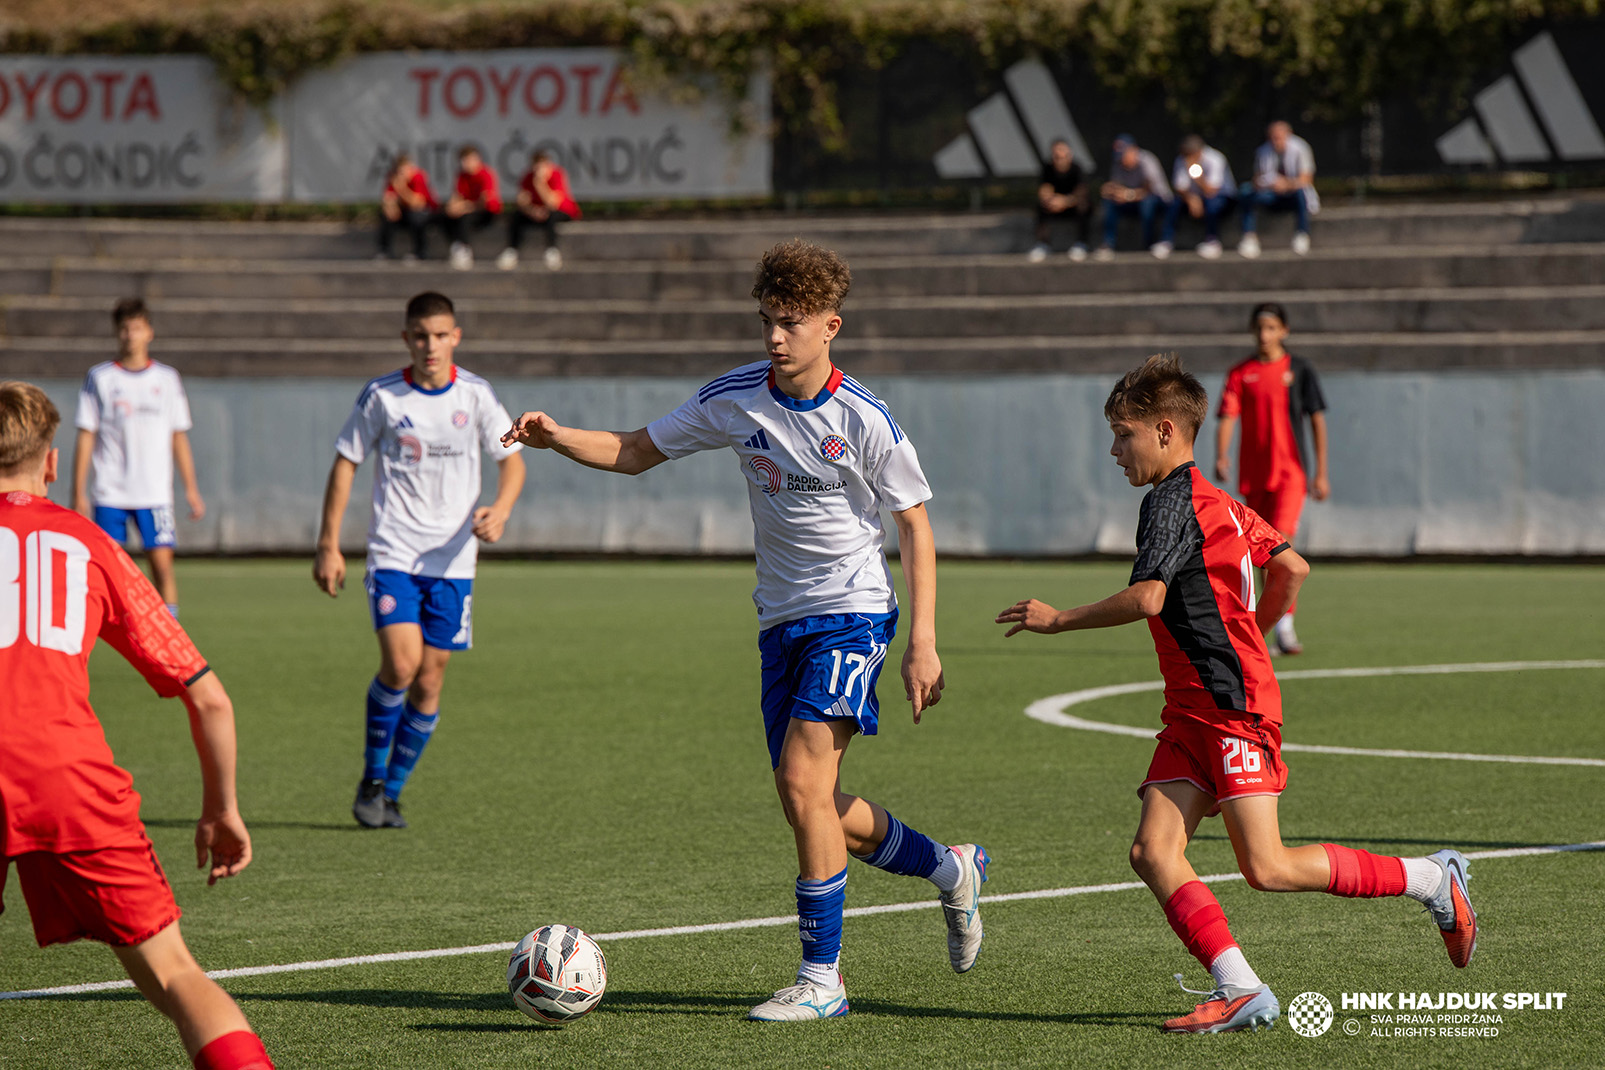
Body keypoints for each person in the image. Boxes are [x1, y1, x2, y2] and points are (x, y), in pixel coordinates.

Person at [501, 239, 988, 1023]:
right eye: (766, 320)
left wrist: (924, 641)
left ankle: (821, 981)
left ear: (830, 326)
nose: (774, 337)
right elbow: (633, 451)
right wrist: (557, 438)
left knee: (802, 786)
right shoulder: (734, 398)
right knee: (815, 799)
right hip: (780, 621)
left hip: (853, 612)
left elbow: (915, 525)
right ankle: (949, 868)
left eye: (791, 323)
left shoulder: (862, 415)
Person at [994, 354, 1476, 1035]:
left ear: (1164, 430)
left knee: (1268, 868)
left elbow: (1149, 597)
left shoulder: (1166, 503)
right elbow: (1292, 565)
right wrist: (1257, 624)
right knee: (1152, 852)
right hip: (1194, 705)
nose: (1112, 449)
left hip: (1228, 705)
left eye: (1121, 434)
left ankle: (1431, 879)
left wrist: (1059, 619)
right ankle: (1240, 988)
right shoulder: (1216, 500)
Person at [0, 381, 274, 1070]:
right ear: (54, 463)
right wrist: (221, 809)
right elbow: (210, 698)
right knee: (176, 976)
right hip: (69, 780)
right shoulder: (89, 544)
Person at [313, 291, 526, 829]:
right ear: (406, 338)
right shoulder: (383, 397)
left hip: (454, 562)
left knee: (430, 682)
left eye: (440, 335)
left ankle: (392, 794)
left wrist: (500, 510)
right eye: (420, 336)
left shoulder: (476, 395)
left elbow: (512, 462)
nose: (430, 345)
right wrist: (328, 544)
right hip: (395, 552)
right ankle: (372, 777)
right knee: (402, 666)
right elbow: (346, 464)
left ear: (456, 337)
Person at [72, 298, 204, 620]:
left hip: (155, 491)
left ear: (150, 333)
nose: (131, 335)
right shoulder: (100, 378)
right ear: (117, 333)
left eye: (137, 328)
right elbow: (87, 434)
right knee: (108, 570)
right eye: (125, 329)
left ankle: (171, 635)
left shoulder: (167, 379)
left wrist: (191, 488)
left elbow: (179, 435)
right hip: (110, 490)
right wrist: (79, 493)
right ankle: (109, 632)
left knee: (162, 568)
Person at [1214, 303, 1328, 655]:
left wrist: (1321, 471)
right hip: (1254, 477)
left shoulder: (1299, 369)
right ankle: (1268, 630)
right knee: (1263, 556)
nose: (1265, 335)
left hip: (1290, 473)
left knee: (1281, 547)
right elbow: (1228, 416)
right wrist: (1222, 454)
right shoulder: (1240, 372)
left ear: (1284, 331)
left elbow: (1316, 419)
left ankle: (1285, 629)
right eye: (1259, 329)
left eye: (1271, 328)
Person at [1238, 122, 1319, 258]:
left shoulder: (1301, 148)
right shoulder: (1263, 151)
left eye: (1279, 137)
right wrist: (1269, 184)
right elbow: (1257, 178)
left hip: (1293, 193)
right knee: (1245, 192)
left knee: (1300, 193)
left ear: (1289, 135)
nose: (1276, 141)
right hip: (1271, 193)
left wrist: (1287, 184)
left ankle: (1302, 234)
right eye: (1273, 138)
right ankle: (1249, 237)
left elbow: (1307, 179)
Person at [497, 150, 582, 271]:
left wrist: (539, 184)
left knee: (550, 215)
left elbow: (553, 203)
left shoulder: (557, 174)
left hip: (561, 211)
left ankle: (552, 251)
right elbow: (521, 202)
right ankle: (511, 251)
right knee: (516, 216)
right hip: (536, 212)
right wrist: (531, 210)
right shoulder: (528, 177)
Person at [1096, 134, 1172, 260]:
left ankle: (1150, 243)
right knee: (1109, 203)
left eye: (1124, 154)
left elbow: (1149, 191)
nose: (1122, 159)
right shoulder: (1118, 163)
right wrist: (1111, 191)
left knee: (1147, 204)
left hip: (1158, 201)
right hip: (1133, 201)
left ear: (1134, 150)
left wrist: (1128, 195)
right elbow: (1117, 186)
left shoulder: (1147, 160)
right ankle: (1108, 244)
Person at [1161, 135, 1236, 260]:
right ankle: (1166, 241)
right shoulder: (1182, 159)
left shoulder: (1216, 158)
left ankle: (1212, 240)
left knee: (1213, 204)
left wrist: (1197, 176)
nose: (1188, 158)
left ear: (1199, 151)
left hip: (1222, 197)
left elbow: (1212, 190)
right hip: (1195, 197)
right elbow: (1180, 187)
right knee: (1173, 204)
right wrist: (1191, 199)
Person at [1028, 139, 1092, 262]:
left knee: (1084, 205)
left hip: (1073, 208)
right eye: (1057, 157)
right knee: (1040, 206)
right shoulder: (1047, 169)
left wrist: (1065, 202)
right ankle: (1043, 244)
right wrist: (1051, 201)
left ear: (1070, 155)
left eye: (1064, 156)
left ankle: (1081, 243)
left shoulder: (1077, 169)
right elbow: (1044, 191)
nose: (1061, 160)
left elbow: (1081, 194)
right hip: (1055, 207)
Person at [442, 147, 503, 270]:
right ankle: (457, 246)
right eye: (464, 160)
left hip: (487, 213)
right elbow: (457, 196)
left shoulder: (486, 174)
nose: (466, 164)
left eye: (469, 160)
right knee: (444, 216)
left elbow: (483, 203)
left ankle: (465, 251)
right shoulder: (461, 175)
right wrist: (452, 207)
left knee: (465, 218)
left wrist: (464, 207)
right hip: (468, 209)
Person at [377, 153, 438, 261]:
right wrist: (391, 207)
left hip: (426, 212)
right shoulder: (394, 177)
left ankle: (420, 251)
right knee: (386, 215)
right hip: (404, 212)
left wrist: (402, 189)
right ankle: (385, 250)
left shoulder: (418, 177)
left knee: (416, 218)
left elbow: (417, 204)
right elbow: (388, 198)